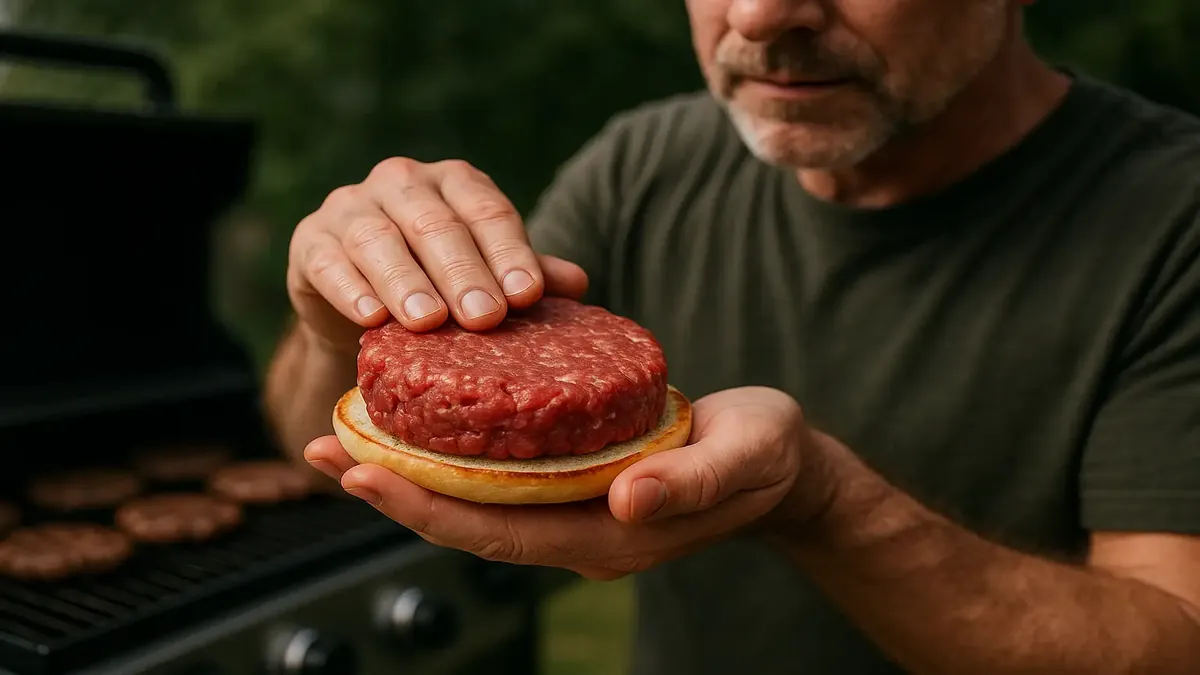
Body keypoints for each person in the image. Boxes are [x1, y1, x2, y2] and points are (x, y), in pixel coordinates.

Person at [264, 0, 1200, 672]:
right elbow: (317, 442)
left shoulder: (1174, 218)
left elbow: (1177, 637)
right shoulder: (647, 162)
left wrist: (825, 502)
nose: (757, 17)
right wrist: (331, 330)